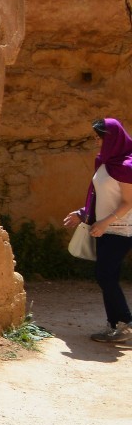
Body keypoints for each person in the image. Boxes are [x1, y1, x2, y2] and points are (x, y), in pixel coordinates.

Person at [64, 117, 132, 344]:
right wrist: (83, 213)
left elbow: (128, 202)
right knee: (106, 276)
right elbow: (98, 196)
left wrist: (105, 223)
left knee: (105, 276)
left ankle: (124, 323)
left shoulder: (126, 166)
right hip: (103, 228)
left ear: (112, 138)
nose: (96, 140)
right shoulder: (104, 162)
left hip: (121, 229)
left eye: (99, 136)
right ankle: (116, 326)